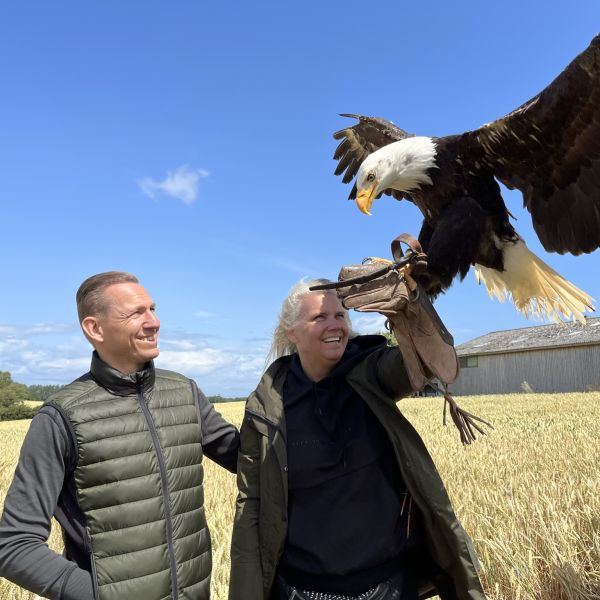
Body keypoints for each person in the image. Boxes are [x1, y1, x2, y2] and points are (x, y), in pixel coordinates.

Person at [229, 278, 486, 600]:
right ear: (292, 332)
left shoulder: (371, 371)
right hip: (301, 590)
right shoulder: (267, 406)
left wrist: (414, 307)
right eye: (320, 317)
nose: (334, 325)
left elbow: (424, 364)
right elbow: (251, 502)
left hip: (388, 586)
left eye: (340, 315)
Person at [0, 271, 240, 600]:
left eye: (153, 309)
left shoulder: (184, 393)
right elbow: (14, 544)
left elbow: (253, 461)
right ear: (95, 328)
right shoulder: (61, 417)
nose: (154, 322)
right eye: (136, 313)